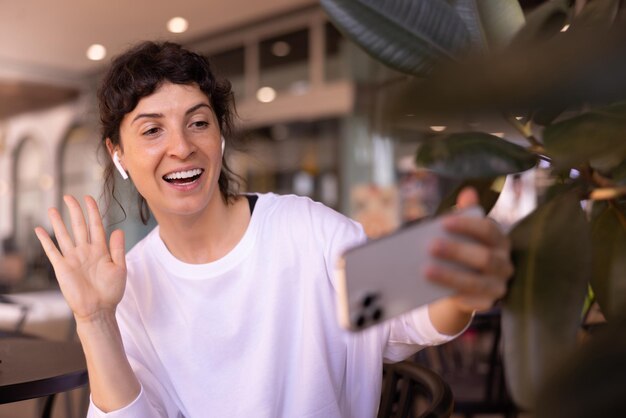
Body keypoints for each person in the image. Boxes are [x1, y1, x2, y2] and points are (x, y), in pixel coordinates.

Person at [34, 41, 513, 418]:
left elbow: (414, 313)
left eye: (198, 122)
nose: (181, 147)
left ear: (220, 137)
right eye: (152, 129)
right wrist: (95, 320)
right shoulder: (131, 284)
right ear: (118, 153)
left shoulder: (302, 230)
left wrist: (462, 282)